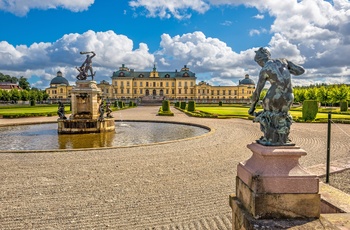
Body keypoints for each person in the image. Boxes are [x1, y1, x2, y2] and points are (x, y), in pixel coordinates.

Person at [249, 47, 305, 145]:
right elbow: (301, 71)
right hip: (289, 96)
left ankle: (270, 138)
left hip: (274, 97)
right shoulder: (283, 61)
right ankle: (282, 139)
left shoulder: (264, 70)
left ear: (260, 60)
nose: (259, 65)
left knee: (267, 115)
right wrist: (287, 69)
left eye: (258, 62)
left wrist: (252, 107)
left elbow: (257, 92)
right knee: (283, 116)